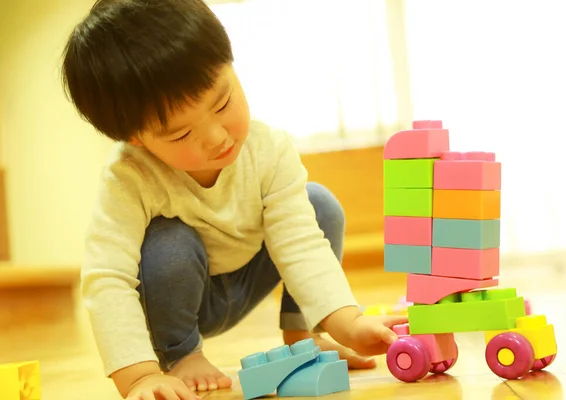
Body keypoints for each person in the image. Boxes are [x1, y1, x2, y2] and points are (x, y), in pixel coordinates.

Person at [61, 1, 406, 399]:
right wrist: (138, 376)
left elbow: (300, 243)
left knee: (317, 205)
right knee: (168, 241)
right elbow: (108, 276)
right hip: (178, 298)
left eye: (222, 103)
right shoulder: (130, 176)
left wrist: (348, 323)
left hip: (248, 274)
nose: (217, 137)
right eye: (180, 135)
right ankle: (181, 353)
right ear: (136, 137)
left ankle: (304, 332)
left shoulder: (269, 149)